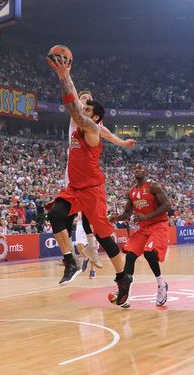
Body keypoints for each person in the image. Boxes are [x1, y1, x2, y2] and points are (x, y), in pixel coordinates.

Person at [45, 53, 131, 306]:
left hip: (93, 189)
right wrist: (64, 78)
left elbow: (74, 107)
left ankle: (122, 277)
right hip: (75, 187)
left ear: (95, 118)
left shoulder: (92, 130)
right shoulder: (80, 124)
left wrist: (65, 75)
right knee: (55, 215)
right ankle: (70, 261)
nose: (82, 110)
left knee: (104, 237)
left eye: (88, 110)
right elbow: (74, 108)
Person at [69, 90, 136, 274]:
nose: (85, 101)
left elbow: (108, 134)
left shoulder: (94, 123)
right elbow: (73, 98)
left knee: (88, 215)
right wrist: (65, 75)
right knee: (65, 213)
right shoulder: (78, 115)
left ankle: (90, 249)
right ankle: (71, 254)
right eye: (83, 99)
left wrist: (123, 143)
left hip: (85, 170)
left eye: (88, 99)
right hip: (73, 166)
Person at [109, 163, 172, 307]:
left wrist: (147, 216)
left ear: (145, 171)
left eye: (140, 168)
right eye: (135, 168)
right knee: (130, 255)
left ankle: (161, 285)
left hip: (158, 226)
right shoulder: (131, 192)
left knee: (149, 253)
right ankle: (124, 291)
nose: (137, 170)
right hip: (144, 228)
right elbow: (127, 213)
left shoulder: (153, 186)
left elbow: (167, 205)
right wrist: (116, 218)